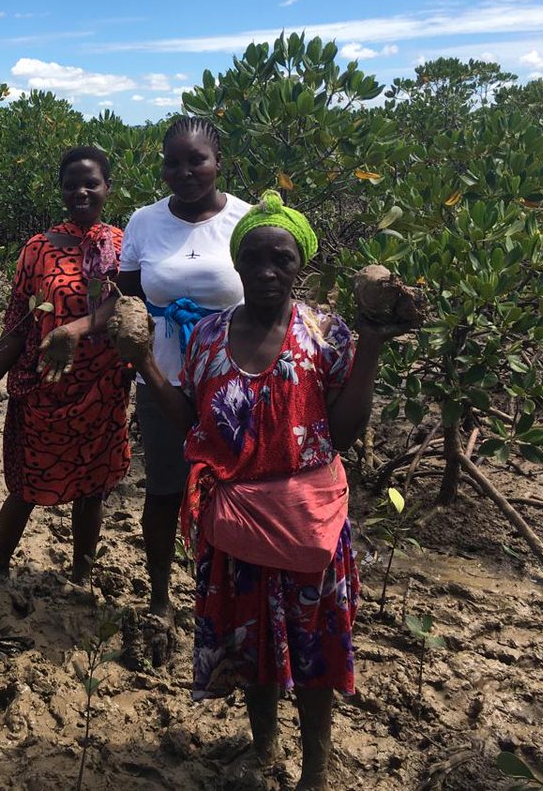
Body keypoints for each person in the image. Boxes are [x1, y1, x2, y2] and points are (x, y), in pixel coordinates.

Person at [133, 192, 408, 790]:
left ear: (299, 264)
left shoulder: (323, 333)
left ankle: (316, 766)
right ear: (235, 263)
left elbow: (344, 431)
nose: (265, 270)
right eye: (253, 258)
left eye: (280, 258)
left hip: (308, 519)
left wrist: (373, 345)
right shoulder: (207, 335)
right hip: (235, 521)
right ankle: (264, 746)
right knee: (250, 643)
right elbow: (192, 426)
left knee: (315, 655)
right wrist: (145, 365)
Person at [0, 146, 130, 584]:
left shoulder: (123, 246)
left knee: (92, 492)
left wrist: (73, 331)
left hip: (103, 392)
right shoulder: (37, 250)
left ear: (107, 189)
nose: (81, 191)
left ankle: (81, 575)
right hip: (42, 393)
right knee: (24, 490)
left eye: (91, 183)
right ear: (60, 190)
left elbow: (129, 310)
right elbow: (17, 326)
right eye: (71, 183)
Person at [117, 116, 252, 617]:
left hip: (237, 384)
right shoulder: (143, 221)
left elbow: (272, 295)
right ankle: (159, 598)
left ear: (218, 162)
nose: (185, 170)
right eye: (173, 161)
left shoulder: (248, 219)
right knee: (164, 491)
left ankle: (225, 594)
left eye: (196, 159)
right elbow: (128, 303)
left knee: (235, 493)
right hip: (162, 382)